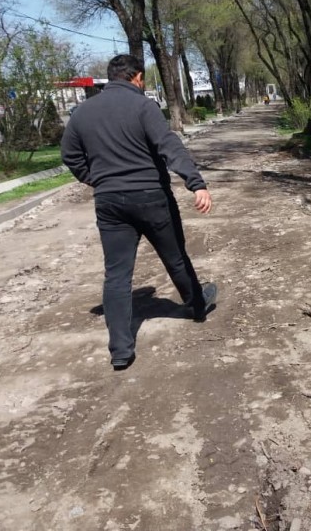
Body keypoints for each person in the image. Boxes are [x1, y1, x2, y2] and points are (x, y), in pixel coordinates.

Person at [61, 54, 217, 371]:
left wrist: (95, 179)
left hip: (109, 203)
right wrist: (195, 183)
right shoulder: (144, 106)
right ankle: (197, 307)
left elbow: (70, 155)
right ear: (137, 77)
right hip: (151, 198)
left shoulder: (83, 112)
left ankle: (120, 350)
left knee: (117, 274)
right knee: (175, 257)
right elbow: (169, 146)